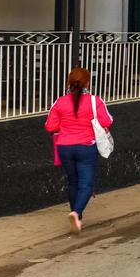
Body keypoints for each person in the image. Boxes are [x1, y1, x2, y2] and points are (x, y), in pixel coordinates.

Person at [44, 67, 113, 234]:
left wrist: (67, 125)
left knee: (73, 182)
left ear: (69, 83)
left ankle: (78, 219)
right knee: (86, 185)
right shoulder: (95, 101)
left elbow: (50, 126)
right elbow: (107, 121)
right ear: (87, 83)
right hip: (86, 147)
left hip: (64, 148)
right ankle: (76, 213)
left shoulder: (59, 102)